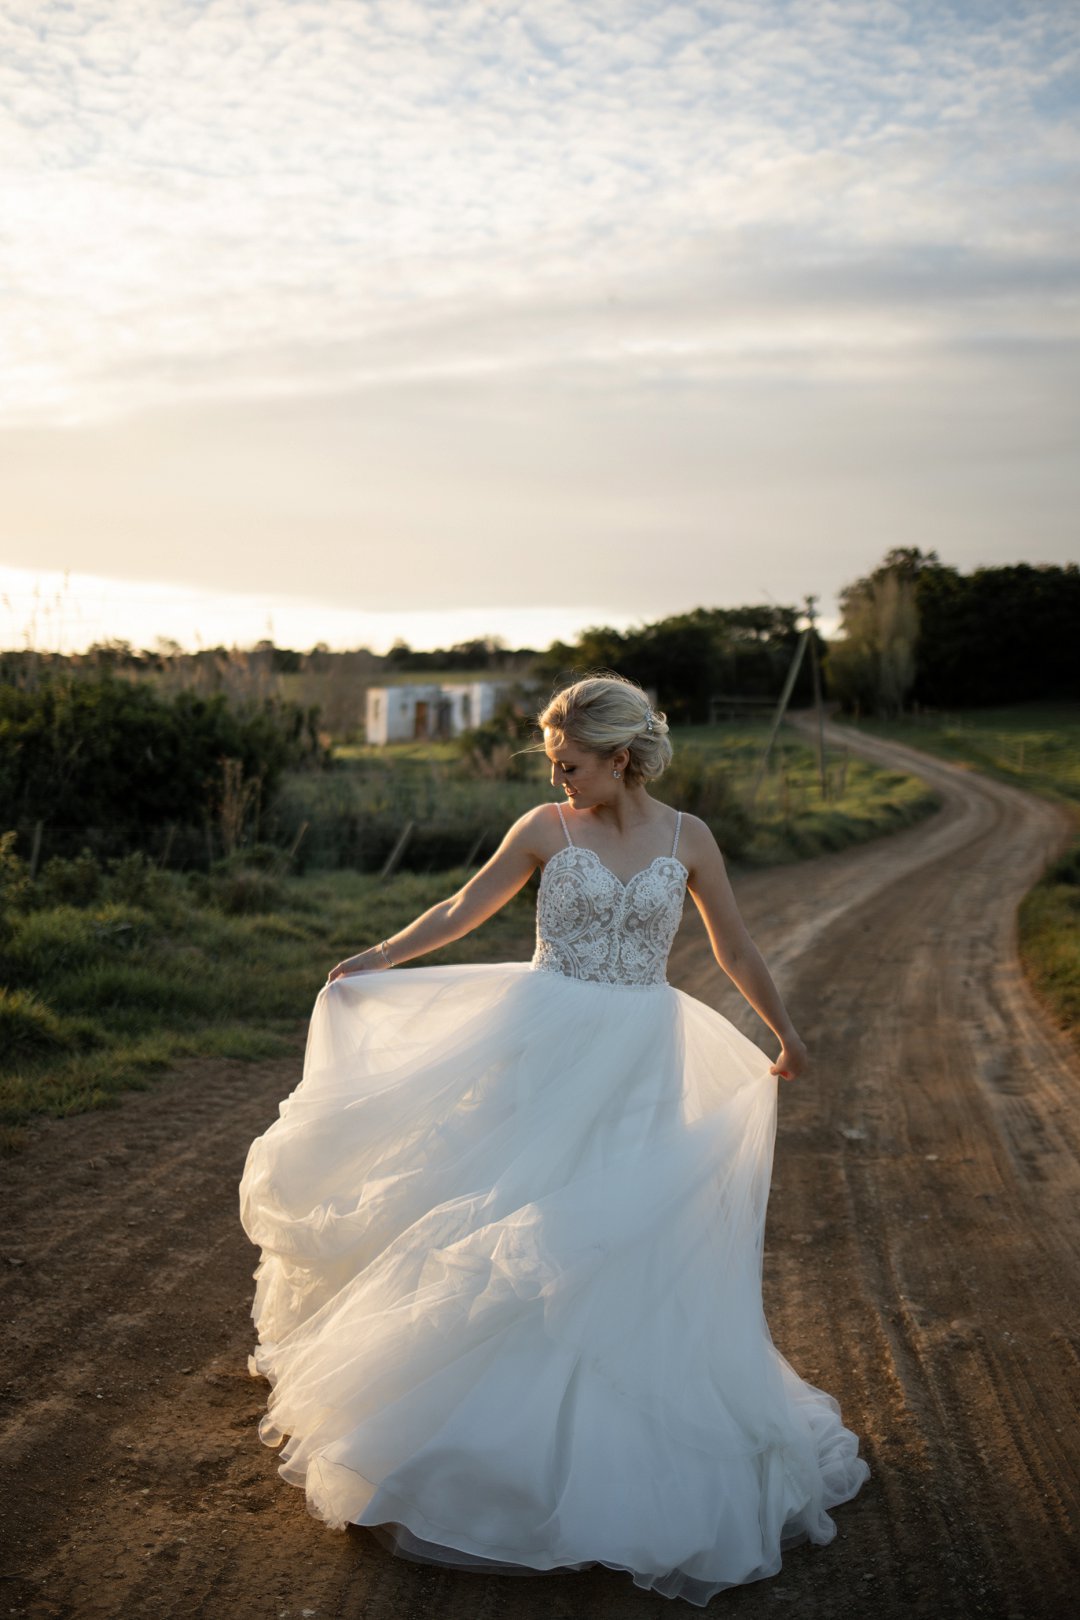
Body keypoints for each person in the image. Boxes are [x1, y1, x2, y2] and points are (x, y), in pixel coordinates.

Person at [239, 672, 869, 1607]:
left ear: (621, 758)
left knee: (615, 1234)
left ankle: (619, 1441)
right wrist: (379, 957)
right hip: (541, 1048)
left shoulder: (690, 838)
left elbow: (733, 945)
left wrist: (784, 1030)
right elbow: (462, 910)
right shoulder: (544, 828)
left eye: (571, 763)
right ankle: (484, 1439)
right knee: (512, 1213)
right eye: (553, 762)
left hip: (640, 1056)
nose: (559, 775)